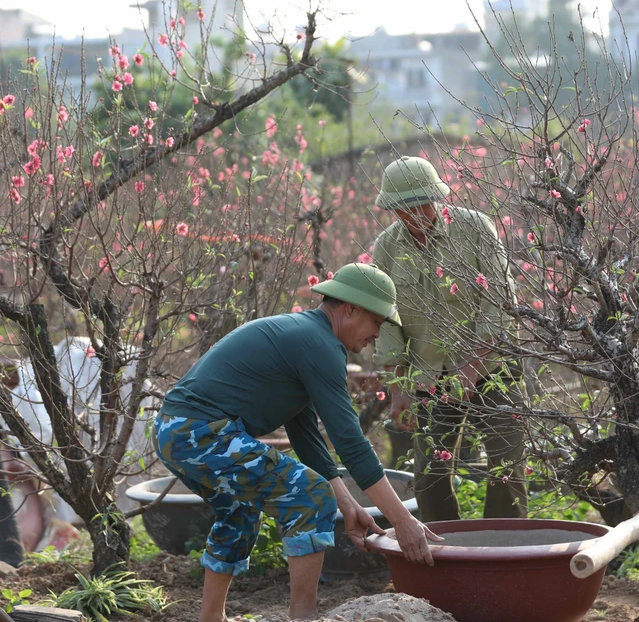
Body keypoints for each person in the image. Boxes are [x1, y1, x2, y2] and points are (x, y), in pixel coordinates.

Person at [154, 263, 441, 622]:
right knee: (311, 496)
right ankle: (303, 617)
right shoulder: (320, 344)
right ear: (350, 309)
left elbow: (304, 436)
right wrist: (403, 521)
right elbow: (350, 441)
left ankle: (212, 618)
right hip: (200, 432)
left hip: (174, 431)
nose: (377, 336)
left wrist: (349, 502)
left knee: (239, 509)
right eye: (377, 323)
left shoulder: (304, 336)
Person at [371, 156, 528, 522]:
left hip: (492, 369)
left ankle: (503, 553)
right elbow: (386, 321)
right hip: (428, 376)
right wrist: (398, 389)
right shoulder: (388, 247)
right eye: (402, 209)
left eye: (420, 204)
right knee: (429, 476)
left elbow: (500, 304)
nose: (413, 215)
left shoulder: (474, 228)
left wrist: (469, 371)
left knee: (505, 467)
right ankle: (443, 556)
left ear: (436, 197)